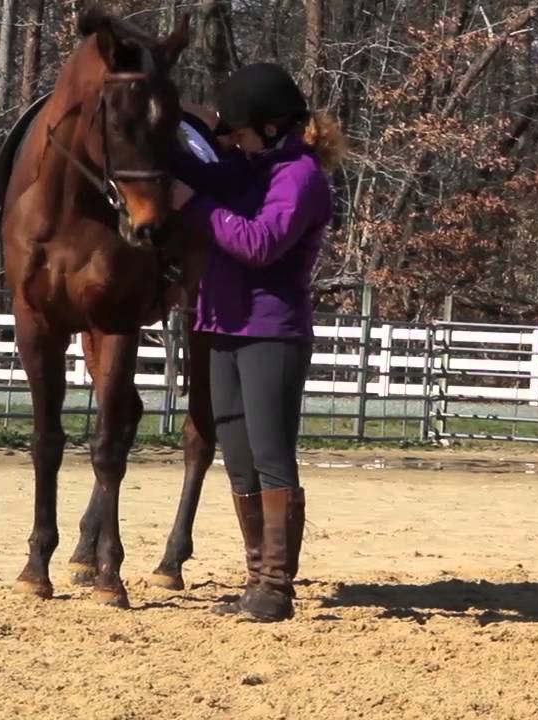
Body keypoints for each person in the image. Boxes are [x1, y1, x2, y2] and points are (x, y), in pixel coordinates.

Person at [173, 62, 346, 622]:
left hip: (271, 331)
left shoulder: (300, 177)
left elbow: (259, 243)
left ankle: (276, 585)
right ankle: (256, 579)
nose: (236, 142)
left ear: (273, 125)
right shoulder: (253, 167)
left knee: (272, 457)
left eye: (242, 131)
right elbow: (201, 175)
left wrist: (195, 209)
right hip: (222, 325)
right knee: (240, 458)